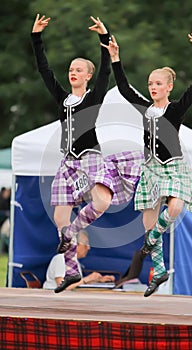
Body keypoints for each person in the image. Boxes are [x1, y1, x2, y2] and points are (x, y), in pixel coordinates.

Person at [102, 29, 192, 297]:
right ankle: (158, 271)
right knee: (148, 223)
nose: (153, 87)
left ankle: (146, 248)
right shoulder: (145, 109)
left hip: (174, 166)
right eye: (150, 83)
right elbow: (123, 88)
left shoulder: (176, 109)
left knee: (176, 208)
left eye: (158, 83)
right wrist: (116, 58)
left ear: (169, 87)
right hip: (151, 169)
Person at [31, 15, 143, 293]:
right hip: (67, 163)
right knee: (59, 219)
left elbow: (106, 72)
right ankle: (70, 271)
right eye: (71, 68)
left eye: (80, 70)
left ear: (88, 76)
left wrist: (104, 38)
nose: (74, 72)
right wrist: (36, 37)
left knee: (102, 203)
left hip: (90, 159)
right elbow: (44, 70)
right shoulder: (62, 97)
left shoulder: (93, 97)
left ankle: (71, 234)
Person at [43, 230, 115, 290]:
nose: (88, 247)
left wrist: (97, 280)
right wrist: (87, 279)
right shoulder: (61, 259)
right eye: (86, 244)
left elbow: (75, 284)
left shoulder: (74, 261)